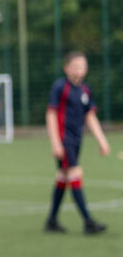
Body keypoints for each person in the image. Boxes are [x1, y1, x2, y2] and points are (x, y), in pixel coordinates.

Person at [44, 51, 110, 234]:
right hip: (65, 141)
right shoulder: (60, 87)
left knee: (63, 177)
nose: (79, 70)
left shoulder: (85, 90)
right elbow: (51, 114)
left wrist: (101, 140)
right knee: (74, 173)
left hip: (77, 140)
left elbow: (90, 117)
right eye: (75, 66)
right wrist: (55, 142)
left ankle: (51, 221)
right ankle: (88, 222)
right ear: (66, 68)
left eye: (82, 66)